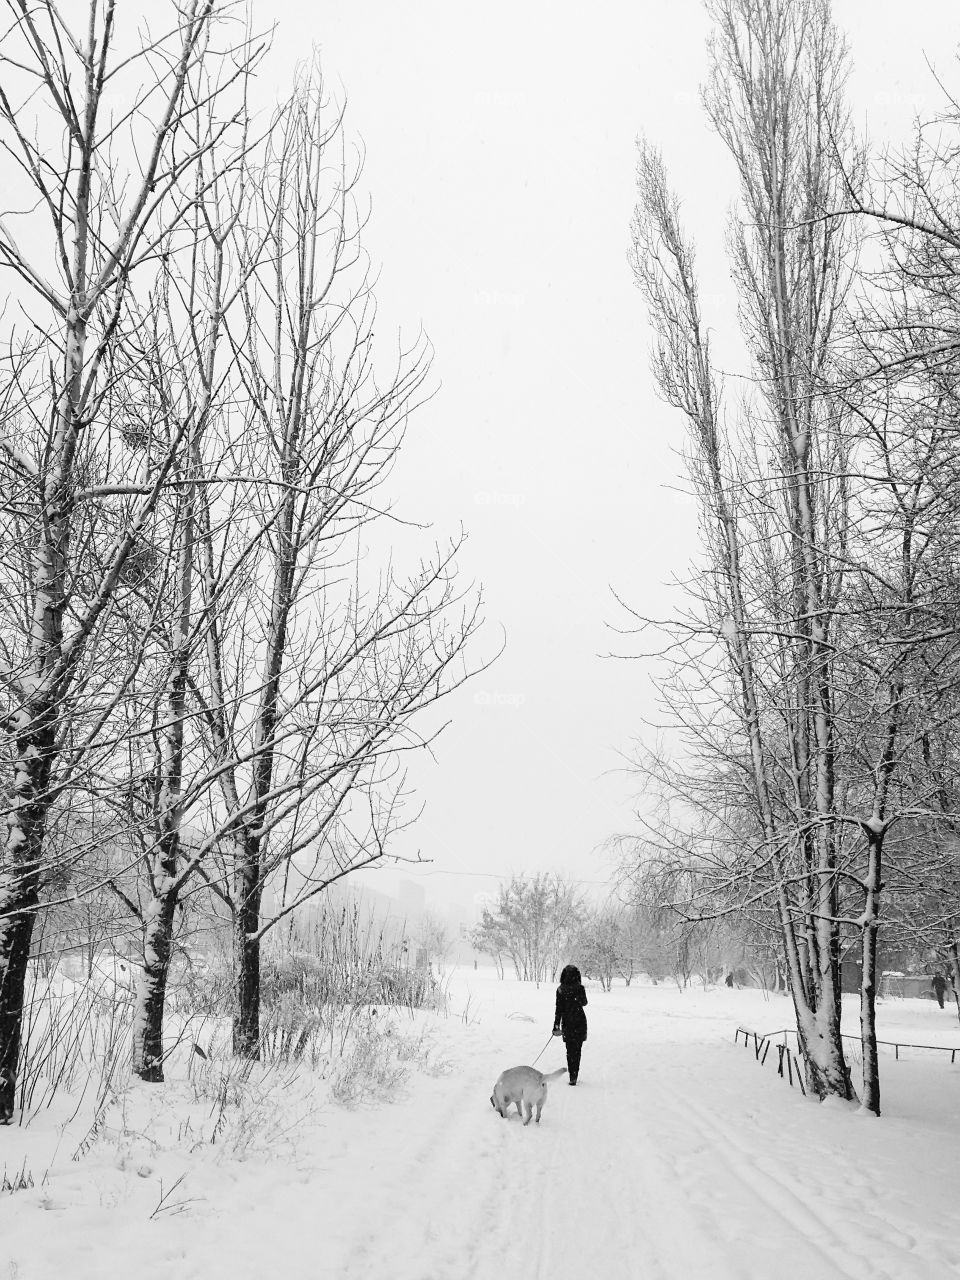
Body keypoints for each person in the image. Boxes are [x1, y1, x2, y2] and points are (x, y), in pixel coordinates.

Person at [552, 963, 588, 1085]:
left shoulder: (560, 989)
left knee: (569, 1051)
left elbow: (559, 1009)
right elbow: (584, 1003)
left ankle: (571, 1076)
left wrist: (556, 1026)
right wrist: (577, 997)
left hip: (567, 1023)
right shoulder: (580, 988)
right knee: (577, 1051)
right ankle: (574, 1075)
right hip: (579, 1022)